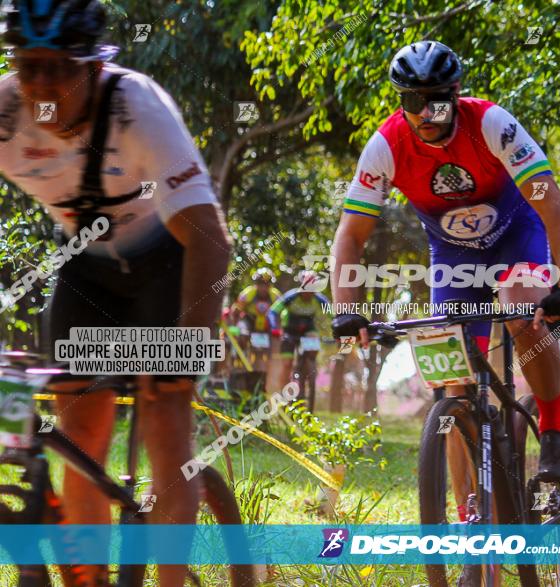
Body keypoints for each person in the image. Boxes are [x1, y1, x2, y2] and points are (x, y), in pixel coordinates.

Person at [0, 1, 231, 585]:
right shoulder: (4, 113)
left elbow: (209, 239)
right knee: (79, 434)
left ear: (96, 68)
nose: (43, 85)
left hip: (168, 264)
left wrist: (190, 347)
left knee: (163, 414)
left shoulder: (137, 108)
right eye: (29, 67)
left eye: (61, 67)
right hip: (89, 268)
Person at [330, 40, 560, 479]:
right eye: (413, 102)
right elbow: (349, 236)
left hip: (515, 234)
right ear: (400, 101)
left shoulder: (491, 123)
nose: (427, 114)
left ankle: (555, 426)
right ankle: (468, 514)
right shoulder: (385, 146)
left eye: (438, 103)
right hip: (453, 255)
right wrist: (347, 309)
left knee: (524, 312)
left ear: (456, 95)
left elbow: (551, 204)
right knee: (456, 381)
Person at [268, 270, 331, 409]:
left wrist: (338, 331)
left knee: (313, 345)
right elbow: (273, 311)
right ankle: (283, 394)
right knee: (287, 364)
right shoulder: (290, 297)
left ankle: (308, 371)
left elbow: (333, 316)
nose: (308, 292)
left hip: (308, 331)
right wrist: (274, 328)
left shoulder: (320, 300)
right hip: (289, 331)